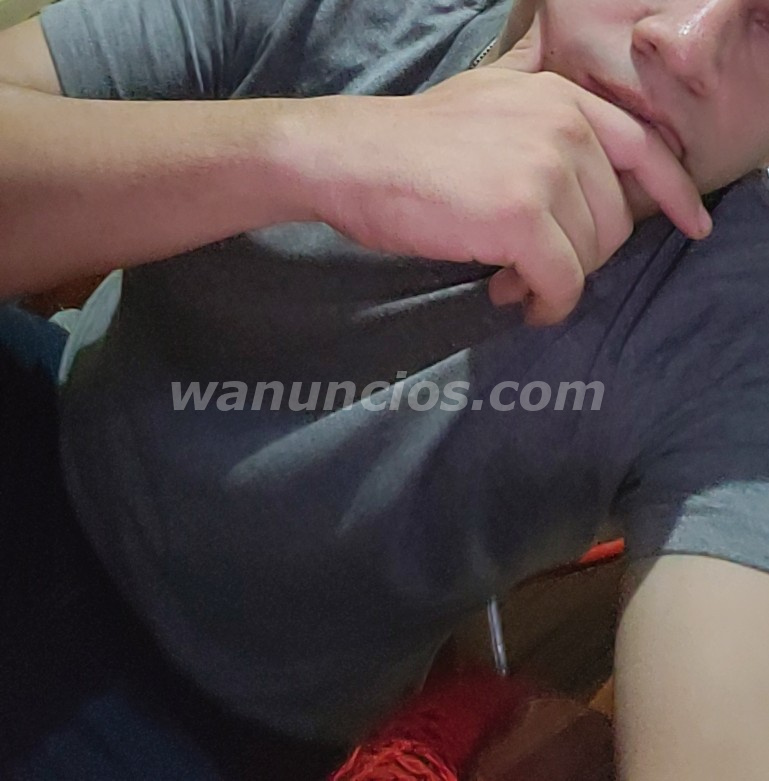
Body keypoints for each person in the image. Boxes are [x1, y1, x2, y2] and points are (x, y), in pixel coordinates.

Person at [2, 0, 769, 778]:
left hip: (213, 718)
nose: (685, 44)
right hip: (49, 420)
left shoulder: (737, 324)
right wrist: (308, 153)